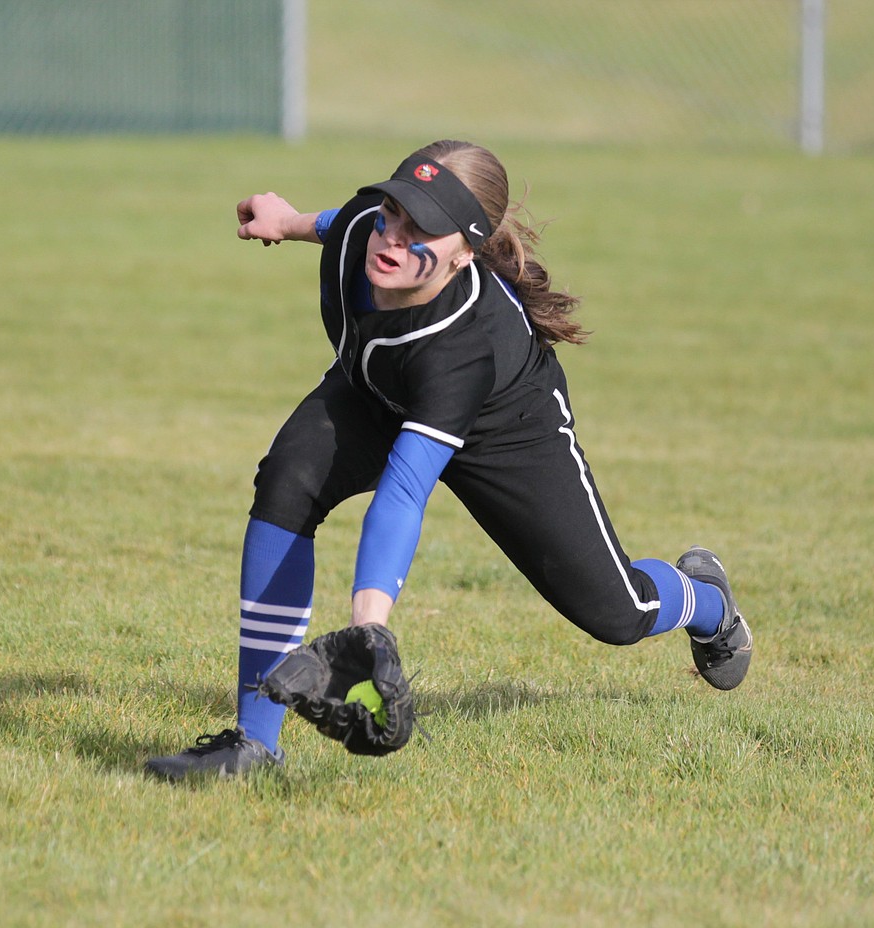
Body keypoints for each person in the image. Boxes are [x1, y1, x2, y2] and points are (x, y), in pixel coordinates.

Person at [145, 140, 753, 781]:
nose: (394, 237)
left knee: (616, 613)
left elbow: (405, 493)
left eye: (422, 229)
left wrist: (367, 631)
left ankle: (706, 601)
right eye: (395, 211)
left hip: (506, 428)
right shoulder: (366, 228)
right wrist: (289, 221)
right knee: (288, 481)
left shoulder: (462, 345)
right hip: (377, 392)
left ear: (467, 250)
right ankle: (252, 748)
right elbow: (340, 222)